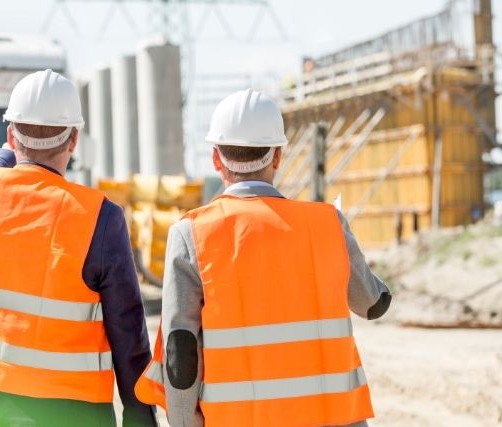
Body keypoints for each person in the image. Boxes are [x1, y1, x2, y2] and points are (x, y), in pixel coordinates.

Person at [134, 89, 392, 427]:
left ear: (216, 159)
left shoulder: (192, 233)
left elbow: (180, 347)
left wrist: (183, 422)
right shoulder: (327, 223)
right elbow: (373, 304)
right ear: (277, 156)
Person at [0, 69, 157, 427]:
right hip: (74, 411)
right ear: (74, 140)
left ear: (10, 135)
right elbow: (128, 331)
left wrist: (11, 147)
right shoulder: (100, 218)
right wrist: (140, 416)